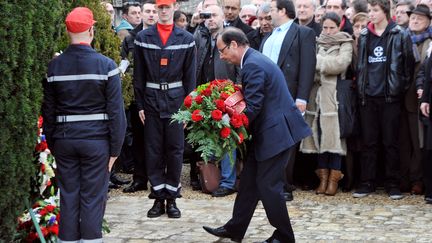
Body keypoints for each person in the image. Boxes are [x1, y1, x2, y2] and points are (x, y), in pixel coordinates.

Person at [203, 27, 311, 243]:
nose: (222, 56)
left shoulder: (252, 65)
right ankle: (235, 228)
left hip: (276, 134)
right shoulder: (253, 61)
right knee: (250, 182)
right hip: (270, 132)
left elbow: (252, 107)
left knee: (267, 186)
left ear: (234, 44)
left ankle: (284, 236)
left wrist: (225, 125)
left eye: (222, 51)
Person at [42, 7, 126, 242]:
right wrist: (115, 151)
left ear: (68, 31)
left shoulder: (54, 67)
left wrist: (53, 143)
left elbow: (48, 112)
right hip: (96, 143)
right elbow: (116, 113)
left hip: (65, 141)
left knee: (68, 196)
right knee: (92, 197)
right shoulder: (106, 66)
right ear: (91, 30)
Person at [133, 0, 196, 218]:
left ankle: (172, 198)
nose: (162, 10)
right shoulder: (143, 38)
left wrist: (189, 108)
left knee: (175, 150)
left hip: (176, 101)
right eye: (159, 6)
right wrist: (139, 103)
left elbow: (190, 77)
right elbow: (138, 75)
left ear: (174, 6)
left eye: (166, 6)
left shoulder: (186, 39)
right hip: (151, 101)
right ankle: (158, 198)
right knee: (153, 150)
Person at [352, 0, 414, 200]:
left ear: (385, 12)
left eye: (375, 10)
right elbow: (359, 66)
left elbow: (408, 66)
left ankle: (393, 183)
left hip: (390, 97)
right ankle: (367, 182)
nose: (371, 14)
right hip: (368, 96)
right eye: (369, 10)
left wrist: (398, 88)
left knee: (390, 142)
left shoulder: (399, 34)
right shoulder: (364, 35)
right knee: (369, 142)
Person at [261, 0, 317, 201]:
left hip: (289, 95)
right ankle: (268, 182)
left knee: (286, 141)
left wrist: (302, 97)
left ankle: (284, 185)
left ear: (283, 11)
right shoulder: (267, 36)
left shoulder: (303, 33)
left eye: (273, 10)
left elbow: (308, 67)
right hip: (265, 96)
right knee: (268, 139)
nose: (269, 14)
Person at [300, 12, 353, 196]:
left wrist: (317, 62)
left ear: (339, 26)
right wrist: (319, 66)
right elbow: (306, 67)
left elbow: (340, 64)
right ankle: (322, 178)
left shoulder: (345, 42)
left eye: (332, 27)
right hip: (316, 97)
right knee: (319, 137)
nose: (328, 31)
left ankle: (333, 179)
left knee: (334, 138)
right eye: (325, 27)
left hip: (334, 98)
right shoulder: (315, 42)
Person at [195, 4, 240, 197]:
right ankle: (211, 178)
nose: (210, 19)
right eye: (207, 15)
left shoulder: (231, 37)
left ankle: (228, 181)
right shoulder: (202, 36)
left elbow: (240, 65)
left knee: (228, 137)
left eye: (214, 15)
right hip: (206, 94)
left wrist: (237, 90)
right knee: (208, 136)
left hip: (228, 94)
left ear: (223, 17)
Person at [122, 0, 158, 194]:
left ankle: (157, 180)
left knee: (157, 141)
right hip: (138, 95)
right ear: (142, 14)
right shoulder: (131, 38)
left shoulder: (163, 37)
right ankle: (140, 179)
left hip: (159, 96)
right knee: (138, 139)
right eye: (148, 11)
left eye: (154, 11)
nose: (151, 15)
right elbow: (124, 64)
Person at [399, 4, 432, 194]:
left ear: (428, 21)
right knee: (401, 141)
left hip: (418, 97)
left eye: (420, 17)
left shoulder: (429, 43)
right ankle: (402, 178)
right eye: (412, 17)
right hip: (397, 97)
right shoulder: (402, 37)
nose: (415, 20)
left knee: (418, 141)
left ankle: (416, 179)